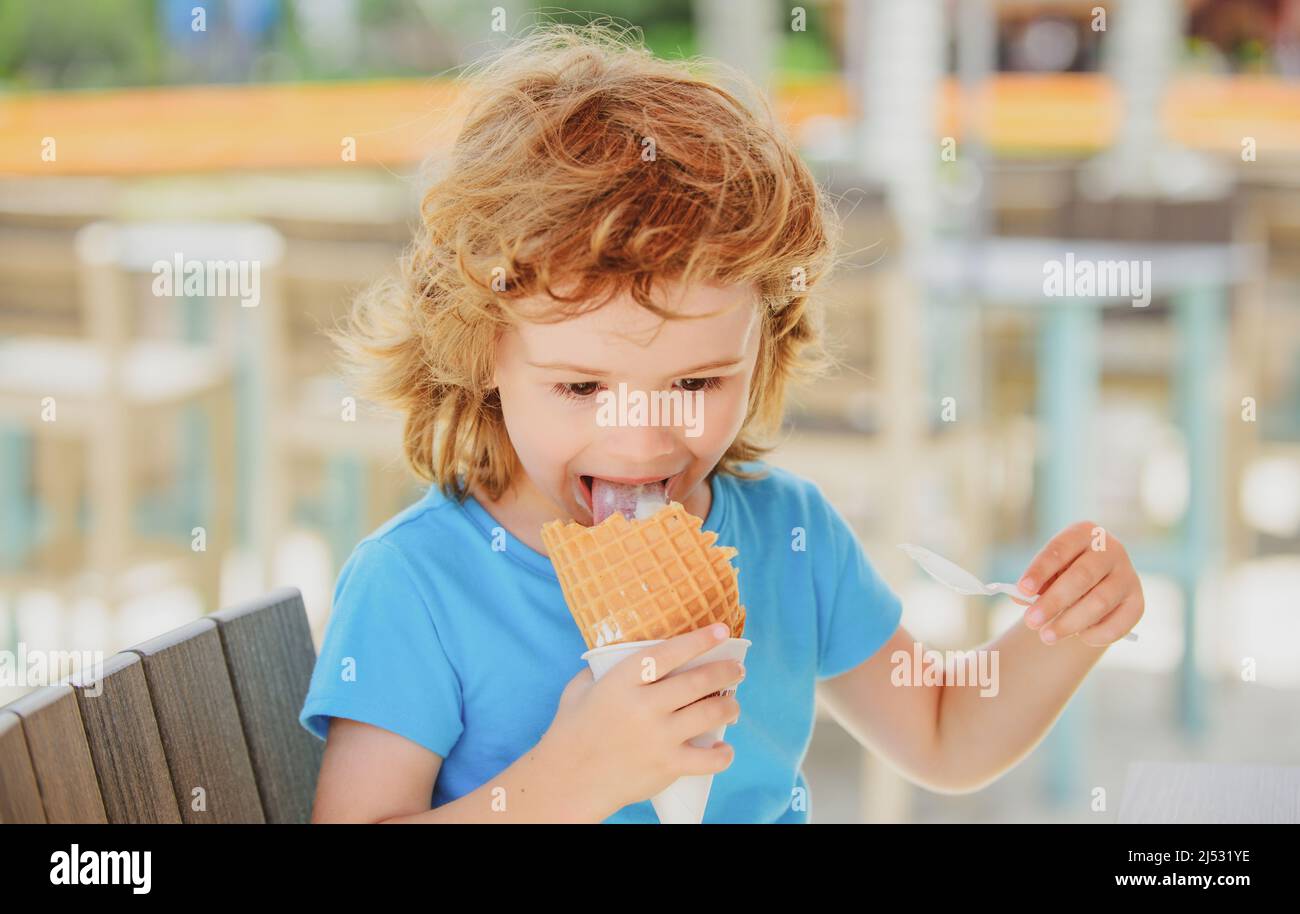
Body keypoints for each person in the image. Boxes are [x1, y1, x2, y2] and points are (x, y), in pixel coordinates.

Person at [298, 22, 1144, 824]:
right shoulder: (417, 583)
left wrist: (1065, 631)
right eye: (583, 387)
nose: (641, 438)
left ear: (763, 346)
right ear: (485, 353)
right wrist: (564, 783)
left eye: (696, 380)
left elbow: (942, 732)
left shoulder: (791, 535)